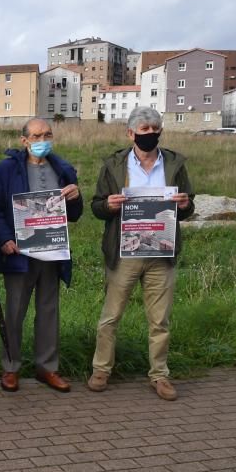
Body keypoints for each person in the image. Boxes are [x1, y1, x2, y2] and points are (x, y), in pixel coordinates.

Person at [88, 106, 195, 400]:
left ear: (160, 130)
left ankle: (160, 376)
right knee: (110, 316)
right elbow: (97, 206)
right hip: (125, 252)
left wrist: (185, 205)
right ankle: (101, 369)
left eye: (154, 128)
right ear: (130, 133)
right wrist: (108, 205)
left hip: (162, 251)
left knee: (160, 321)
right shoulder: (114, 165)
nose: (149, 134)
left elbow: (189, 205)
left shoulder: (174, 163)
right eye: (143, 129)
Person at [0, 118, 82, 393]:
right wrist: (4, 239)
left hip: (52, 251)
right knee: (15, 312)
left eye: (47, 135)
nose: (42, 141)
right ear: (24, 140)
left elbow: (74, 215)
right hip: (20, 252)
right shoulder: (7, 169)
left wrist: (76, 198)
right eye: (37, 136)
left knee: (49, 311)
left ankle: (47, 368)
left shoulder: (62, 168)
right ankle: (11, 367)